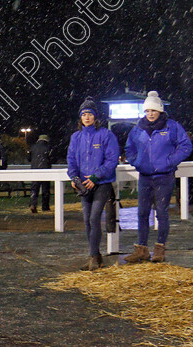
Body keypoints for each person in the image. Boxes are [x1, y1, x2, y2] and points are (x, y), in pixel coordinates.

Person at [123, 91, 192, 263]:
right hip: (145, 176)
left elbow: (185, 146)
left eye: (154, 110)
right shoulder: (137, 129)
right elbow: (129, 148)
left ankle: (160, 248)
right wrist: (136, 162)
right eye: (147, 111)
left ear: (160, 111)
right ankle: (142, 249)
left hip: (164, 176)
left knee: (161, 212)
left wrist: (170, 161)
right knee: (142, 213)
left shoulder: (172, 127)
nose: (151, 114)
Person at [66, 97, 119, 271]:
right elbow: (71, 160)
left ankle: (94, 257)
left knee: (94, 218)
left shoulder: (106, 135)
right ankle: (94, 255)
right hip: (83, 185)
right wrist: (74, 178)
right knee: (87, 221)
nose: (87, 117)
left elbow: (112, 160)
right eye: (84, 114)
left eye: (90, 114)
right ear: (80, 118)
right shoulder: (76, 137)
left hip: (101, 183)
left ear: (95, 117)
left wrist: (96, 176)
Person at [29, 134, 54, 213]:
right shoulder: (49, 147)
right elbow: (53, 159)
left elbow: (29, 158)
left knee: (34, 189)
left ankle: (33, 204)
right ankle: (45, 207)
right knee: (45, 189)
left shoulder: (32, 147)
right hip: (45, 170)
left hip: (34, 170)